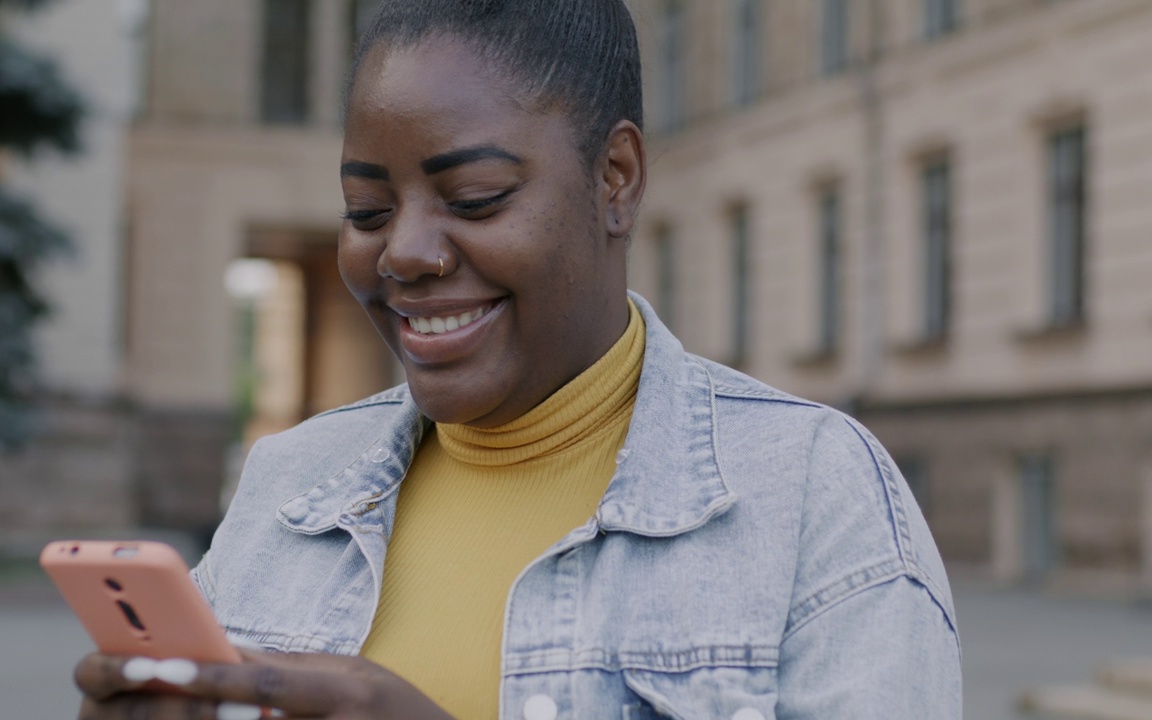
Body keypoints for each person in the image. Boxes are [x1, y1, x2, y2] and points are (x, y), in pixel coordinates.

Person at [73, 1, 961, 718]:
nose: (405, 253)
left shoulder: (811, 494)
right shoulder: (290, 484)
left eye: (475, 197)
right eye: (367, 210)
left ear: (614, 179)